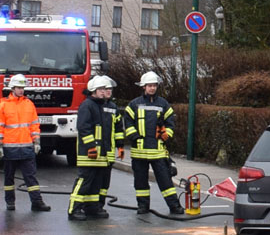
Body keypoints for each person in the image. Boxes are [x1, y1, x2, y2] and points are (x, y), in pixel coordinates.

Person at [121, 71, 185, 215]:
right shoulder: (134, 104)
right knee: (141, 182)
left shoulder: (163, 104)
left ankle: (174, 206)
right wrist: (135, 137)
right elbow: (128, 122)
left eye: (154, 85)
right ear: (144, 86)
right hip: (139, 151)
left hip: (158, 151)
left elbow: (170, 123)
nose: (152, 88)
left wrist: (166, 134)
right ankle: (143, 206)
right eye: (149, 85)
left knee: (165, 181)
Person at [0, 74, 52, 212]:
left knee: (30, 177)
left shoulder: (29, 104)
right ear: (12, 88)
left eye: (22, 88)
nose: (21, 90)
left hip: (26, 148)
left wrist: (36, 143)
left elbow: (34, 126)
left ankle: (37, 202)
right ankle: (10, 202)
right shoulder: (3, 106)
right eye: (19, 87)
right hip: (9, 148)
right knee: (9, 178)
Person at [68, 75, 119, 220]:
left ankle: (91, 208)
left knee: (96, 183)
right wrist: (91, 146)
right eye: (101, 89)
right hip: (89, 153)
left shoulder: (101, 106)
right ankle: (74, 209)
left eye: (105, 89)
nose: (104, 92)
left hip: (100, 154)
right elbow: (84, 128)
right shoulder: (87, 105)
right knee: (84, 181)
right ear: (93, 91)